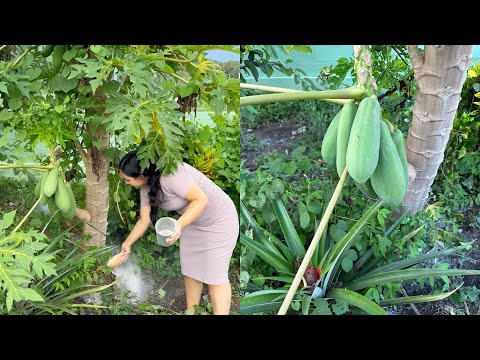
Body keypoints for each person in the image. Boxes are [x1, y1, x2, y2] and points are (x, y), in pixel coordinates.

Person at [118, 150, 239, 315]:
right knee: (191, 270)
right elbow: (144, 220)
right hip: (192, 222)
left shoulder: (171, 174)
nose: (125, 183)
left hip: (219, 221)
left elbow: (201, 199)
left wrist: (179, 225)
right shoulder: (147, 187)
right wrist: (127, 244)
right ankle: (192, 313)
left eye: (126, 179)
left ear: (140, 174)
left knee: (215, 277)